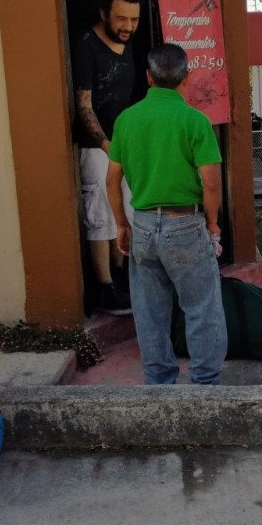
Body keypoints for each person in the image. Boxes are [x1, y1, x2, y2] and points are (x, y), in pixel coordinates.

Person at [106, 43, 227, 385]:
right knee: (201, 309)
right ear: (186, 77)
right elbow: (211, 183)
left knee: (149, 314)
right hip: (185, 224)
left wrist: (122, 224)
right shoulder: (195, 121)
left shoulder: (126, 120)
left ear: (148, 77)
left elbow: (112, 181)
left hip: (143, 225)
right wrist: (212, 224)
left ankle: (160, 386)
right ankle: (205, 386)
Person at [73, 0, 144, 315]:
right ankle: (104, 288)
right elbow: (84, 106)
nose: (128, 26)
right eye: (121, 19)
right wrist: (106, 144)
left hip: (122, 144)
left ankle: (120, 278)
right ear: (104, 14)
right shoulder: (86, 47)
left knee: (124, 212)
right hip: (95, 147)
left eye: (134, 19)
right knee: (100, 214)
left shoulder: (128, 44)